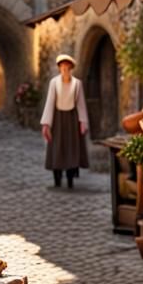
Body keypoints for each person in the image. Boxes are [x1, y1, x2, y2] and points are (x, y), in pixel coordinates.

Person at [40, 54, 89, 189]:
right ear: (59, 68)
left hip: (72, 119)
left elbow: (80, 104)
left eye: (67, 66)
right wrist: (46, 124)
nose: (64, 69)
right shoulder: (54, 83)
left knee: (71, 148)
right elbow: (50, 102)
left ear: (71, 68)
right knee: (57, 147)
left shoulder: (77, 84)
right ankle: (57, 178)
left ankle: (70, 178)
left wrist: (83, 121)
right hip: (57, 118)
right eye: (62, 66)